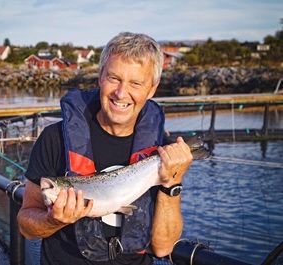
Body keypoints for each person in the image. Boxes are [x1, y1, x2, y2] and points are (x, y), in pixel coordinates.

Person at [17, 32, 193, 265]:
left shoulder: (162, 151)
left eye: (135, 83)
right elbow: (26, 225)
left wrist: (173, 182)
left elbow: (163, 248)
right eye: (114, 78)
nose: (121, 93)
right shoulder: (54, 138)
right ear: (100, 77)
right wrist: (53, 220)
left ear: (151, 89)